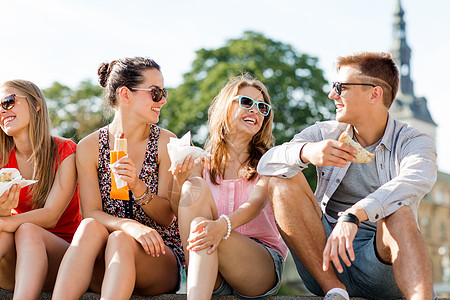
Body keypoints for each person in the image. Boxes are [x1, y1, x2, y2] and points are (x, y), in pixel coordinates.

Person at [257, 52, 437, 300]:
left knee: (399, 211)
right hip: (323, 262)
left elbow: (413, 180)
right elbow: (265, 164)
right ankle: (335, 290)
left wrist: (354, 214)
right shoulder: (324, 133)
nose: (332, 95)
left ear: (374, 94)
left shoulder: (414, 141)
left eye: (340, 87)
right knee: (281, 179)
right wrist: (306, 152)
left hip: (381, 268)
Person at [52, 57, 184, 300]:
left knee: (121, 240)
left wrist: (137, 184)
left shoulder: (167, 142)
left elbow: (166, 217)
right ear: (125, 94)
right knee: (91, 227)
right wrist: (128, 225)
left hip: (158, 257)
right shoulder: (90, 146)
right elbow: (91, 212)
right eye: (155, 93)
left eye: (164, 92)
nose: (163, 100)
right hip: (106, 260)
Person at [171, 75, 288, 300]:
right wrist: (180, 180)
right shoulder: (200, 162)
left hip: (258, 266)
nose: (255, 110)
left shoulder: (269, 161)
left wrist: (220, 227)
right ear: (226, 107)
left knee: (205, 228)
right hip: (209, 263)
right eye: (246, 102)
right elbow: (183, 215)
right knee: (193, 191)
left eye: (262, 107)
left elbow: (254, 205)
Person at [0, 80, 81, 299]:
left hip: (63, 258)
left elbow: (51, 216)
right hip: (15, 261)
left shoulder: (65, 150)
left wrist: (5, 222)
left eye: (8, 102)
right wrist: (4, 214)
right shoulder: (1, 159)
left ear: (36, 104)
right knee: (6, 235)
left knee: (26, 229)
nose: (2, 111)